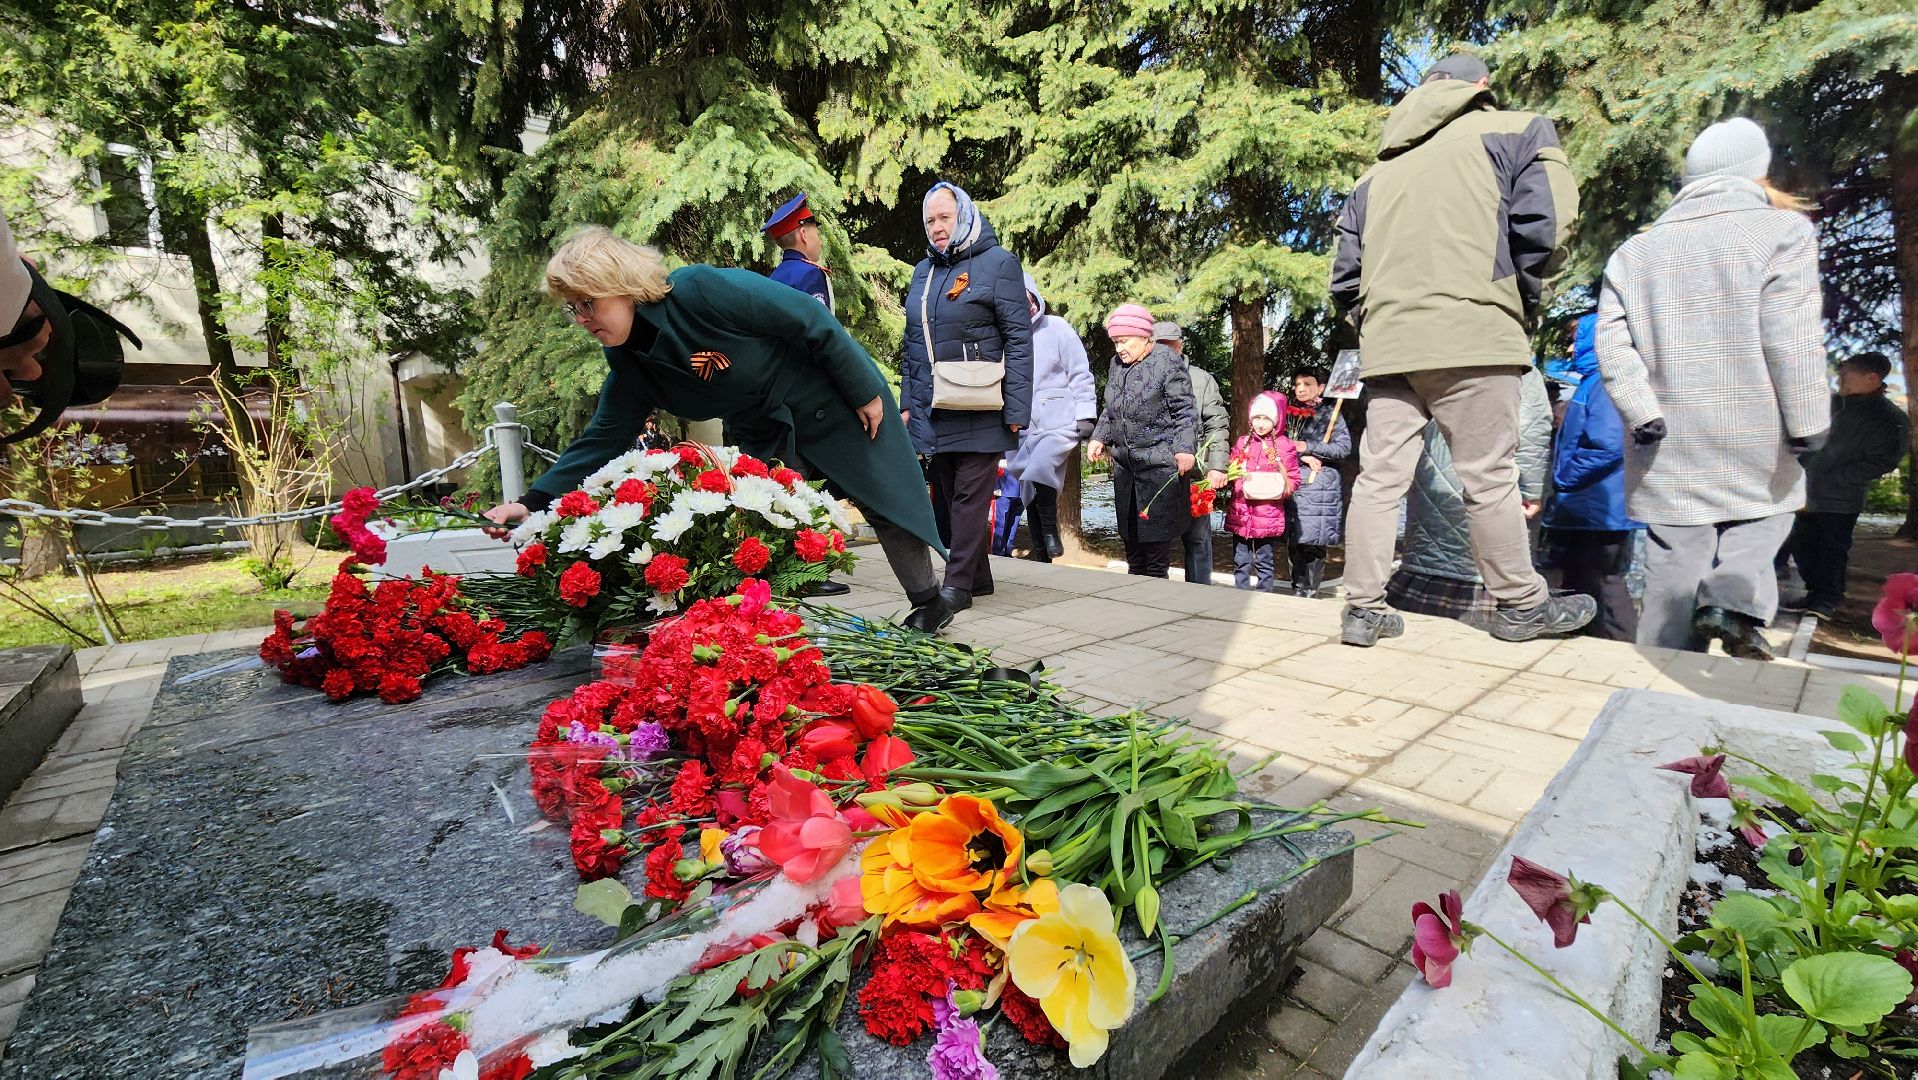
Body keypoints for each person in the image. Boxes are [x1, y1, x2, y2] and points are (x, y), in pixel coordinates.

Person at [479, 226, 955, 633]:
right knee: (766, 531)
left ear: (620, 284)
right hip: (765, 432)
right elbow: (602, 437)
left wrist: (863, 390)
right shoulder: (628, 362)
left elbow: (808, 317)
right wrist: (531, 502)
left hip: (832, 399)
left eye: (588, 304)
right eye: (573, 309)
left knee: (885, 501)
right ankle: (768, 631)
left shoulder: (699, 290)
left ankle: (930, 602)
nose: (583, 320)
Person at [1328, 51, 1594, 647]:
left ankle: (1363, 610)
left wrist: (1379, 325)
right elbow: (1548, 227)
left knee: (1378, 479)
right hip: (1476, 334)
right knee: (1489, 477)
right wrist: (1521, 302)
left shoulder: (1373, 177)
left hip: (1391, 346)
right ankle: (1521, 605)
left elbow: (1345, 278)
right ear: (1482, 85)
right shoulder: (1519, 131)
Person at [1596, 117, 1830, 660]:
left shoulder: (1635, 251)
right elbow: (1790, 335)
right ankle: (1731, 602)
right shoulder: (1781, 232)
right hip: (1755, 422)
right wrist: (1808, 420)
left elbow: (1612, 343)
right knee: (1765, 513)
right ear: (1756, 171)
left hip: (1666, 433)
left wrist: (1639, 410)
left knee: (1675, 551)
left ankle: (1660, 668)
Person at [898, 182, 1035, 613]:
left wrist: (1018, 408)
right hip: (939, 404)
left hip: (984, 404)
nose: (937, 228)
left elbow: (1019, 341)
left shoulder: (999, 264)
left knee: (968, 498)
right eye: (930, 221)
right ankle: (978, 575)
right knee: (946, 493)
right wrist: (909, 403)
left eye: (945, 218)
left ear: (965, 217)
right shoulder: (924, 271)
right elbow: (913, 344)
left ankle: (957, 585)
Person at [1387, 368, 1553, 625]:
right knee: (1491, 562)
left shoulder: (1433, 367)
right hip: (1491, 485)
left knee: (1429, 560)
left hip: (1432, 486)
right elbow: (1532, 430)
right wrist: (1531, 490)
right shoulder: (1519, 369)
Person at [1779, 351, 1909, 620]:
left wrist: (1837, 478)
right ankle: (1814, 594)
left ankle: (1827, 600)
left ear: (1871, 377)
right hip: (1803, 492)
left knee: (1832, 550)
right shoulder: (1830, 404)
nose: (1839, 380)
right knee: (1803, 547)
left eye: (1845, 375)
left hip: (1841, 498)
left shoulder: (1889, 417)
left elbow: (1883, 461)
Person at [1542, 313, 1643, 641]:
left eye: (1576, 340)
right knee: (1582, 585)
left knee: (1604, 586)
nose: (1571, 349)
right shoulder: (1594, 382)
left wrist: (1565, 478)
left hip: (1599, 508)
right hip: (1592, 507)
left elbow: (1607, 444)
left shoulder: (1604, 383)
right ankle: (1587, 648)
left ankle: (1625, 652)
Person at [1088, 304, 1197, 577]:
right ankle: (1132, 596)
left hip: (1158, 469)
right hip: (1126, 471)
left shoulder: (1167, 361)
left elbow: (1184, 410)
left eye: (1124, 341)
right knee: (1133, 549)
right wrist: (1099, 437)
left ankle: (1154, 598)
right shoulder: (1116, 365)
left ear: (1144, 336)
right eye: (1115, 342)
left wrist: (1185, 449)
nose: (1119, 349)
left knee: (1156, 554)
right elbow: (1111, 408)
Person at [1005, 273, 1096, 563]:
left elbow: (1080, 372)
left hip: (1059, 421)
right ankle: (1042, 553)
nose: (1027, 306)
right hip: (1020, 427)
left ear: (1035, 297)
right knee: (1028, 486)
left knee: (1040, 468)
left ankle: (1050, 532)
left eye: (1029, 299)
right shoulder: (1005, 336)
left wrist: (1086, 413)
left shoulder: (1057, 328)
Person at [1156, 321, 1229, 585]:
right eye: (1159, 346)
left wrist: (1217, 466)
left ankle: (1200, 595)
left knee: (1198, 539)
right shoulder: (1145, 378)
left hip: (1195, 475)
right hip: (1156, 474)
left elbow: (1217, 425)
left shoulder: (1202, 380)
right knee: (1156, 542)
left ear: (1180, 346)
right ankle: (1153, 596)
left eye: (1169, 346)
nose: (1164, 352)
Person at [1284, 366, 1351, 599]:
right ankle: (1297, 589)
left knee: (1312, 542)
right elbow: (1279, 446)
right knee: (1294, 542)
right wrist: (1301, 455)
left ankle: (1309, 593)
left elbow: (1343, 448)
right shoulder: (1289, 413)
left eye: (1307, 384)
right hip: (1293, 484)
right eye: (1297, 384)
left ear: (1320, 388)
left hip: (1318, 487)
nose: (1300, 389)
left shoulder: (1331, 415)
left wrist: (1309, 446)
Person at [1225, 391, 1302, 591]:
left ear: (1276, 420)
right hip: (1241, 511)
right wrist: (1233, 479)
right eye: (1257, 418)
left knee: (1264, 560)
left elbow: (1293, 478)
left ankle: (1264, 595)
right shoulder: (1243, 443)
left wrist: (1277, 490)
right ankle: (1239, 594)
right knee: (1240, 559)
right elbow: (1231, 470)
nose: (1260, 424)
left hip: (1268, 513)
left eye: (1266, 419)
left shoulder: (1284, 446)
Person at [761, 193, 834, 312]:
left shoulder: (774, 276)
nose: (820, 242)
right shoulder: (810, 274)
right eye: (818, 234)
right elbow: (818, 322)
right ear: (803, 234)